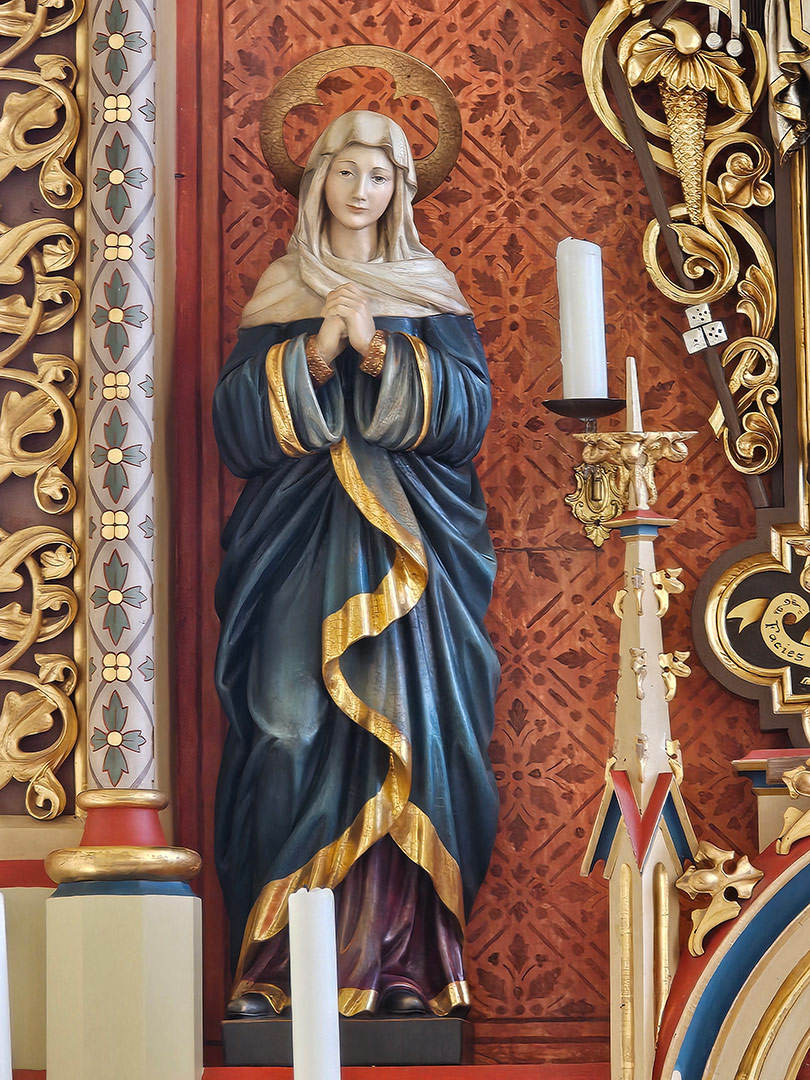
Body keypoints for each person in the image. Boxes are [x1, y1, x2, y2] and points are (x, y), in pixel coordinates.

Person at [213, 110, 499, 1019]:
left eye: (380, 176)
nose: (361, 191)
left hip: (409, 541)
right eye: (346, 173)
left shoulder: (428, 288)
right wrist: (317, 352)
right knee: (285, 728)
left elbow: (469, 417)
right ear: (317, 182)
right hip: (297, 540)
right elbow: (235, 427)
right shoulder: (281, 289)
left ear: (400, 189)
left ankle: (402, 969)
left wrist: (379, 348)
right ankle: (273, 966)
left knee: (410, 737)